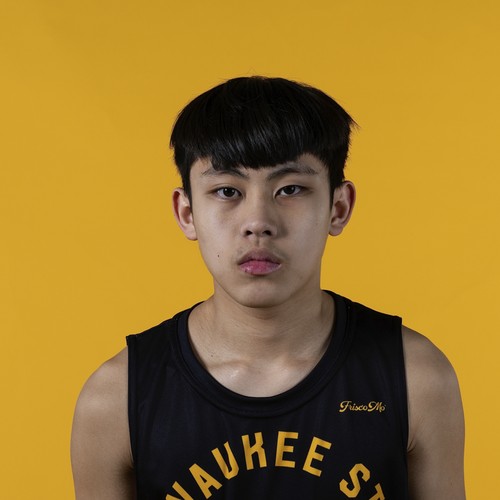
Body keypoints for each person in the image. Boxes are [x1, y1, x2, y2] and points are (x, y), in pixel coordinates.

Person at [71, 76, 465, 499]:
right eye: (227, 191)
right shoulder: (116, 399)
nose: (258, 222)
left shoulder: (416, 379)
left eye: (290, 189)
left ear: (338, 207)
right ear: (187, 213)